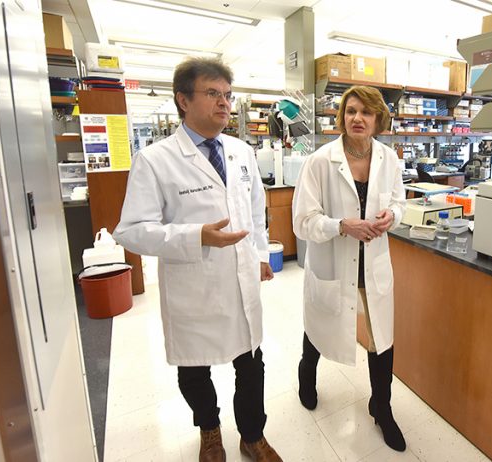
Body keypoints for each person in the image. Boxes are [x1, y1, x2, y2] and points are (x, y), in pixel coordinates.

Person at [113, 57, 281, 462]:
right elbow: (131, 230)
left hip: (241, 279)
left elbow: (256, 211)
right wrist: (195, 236)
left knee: (251, 365)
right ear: (183, 100)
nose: (224, 103)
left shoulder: (241, 151)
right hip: (193, 285)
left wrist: (259, 254)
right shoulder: (155, 159)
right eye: (212, 94)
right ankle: (209, 432)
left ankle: (252, 436)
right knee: (194, 369)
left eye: (227, 95)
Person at [292, 85, 407, 451]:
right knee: (321, 323)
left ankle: (382, 407)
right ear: (341, 116)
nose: (357, 118)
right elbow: (303, 222)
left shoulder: (389, 160)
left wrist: (394, 215)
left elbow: (400, 203)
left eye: (366, 112)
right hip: (334, 263)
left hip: (372, 266)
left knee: (381, 339)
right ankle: (306, 371)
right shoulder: (320, 161)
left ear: (378, 120)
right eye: (351, 111)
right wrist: (342, 225)